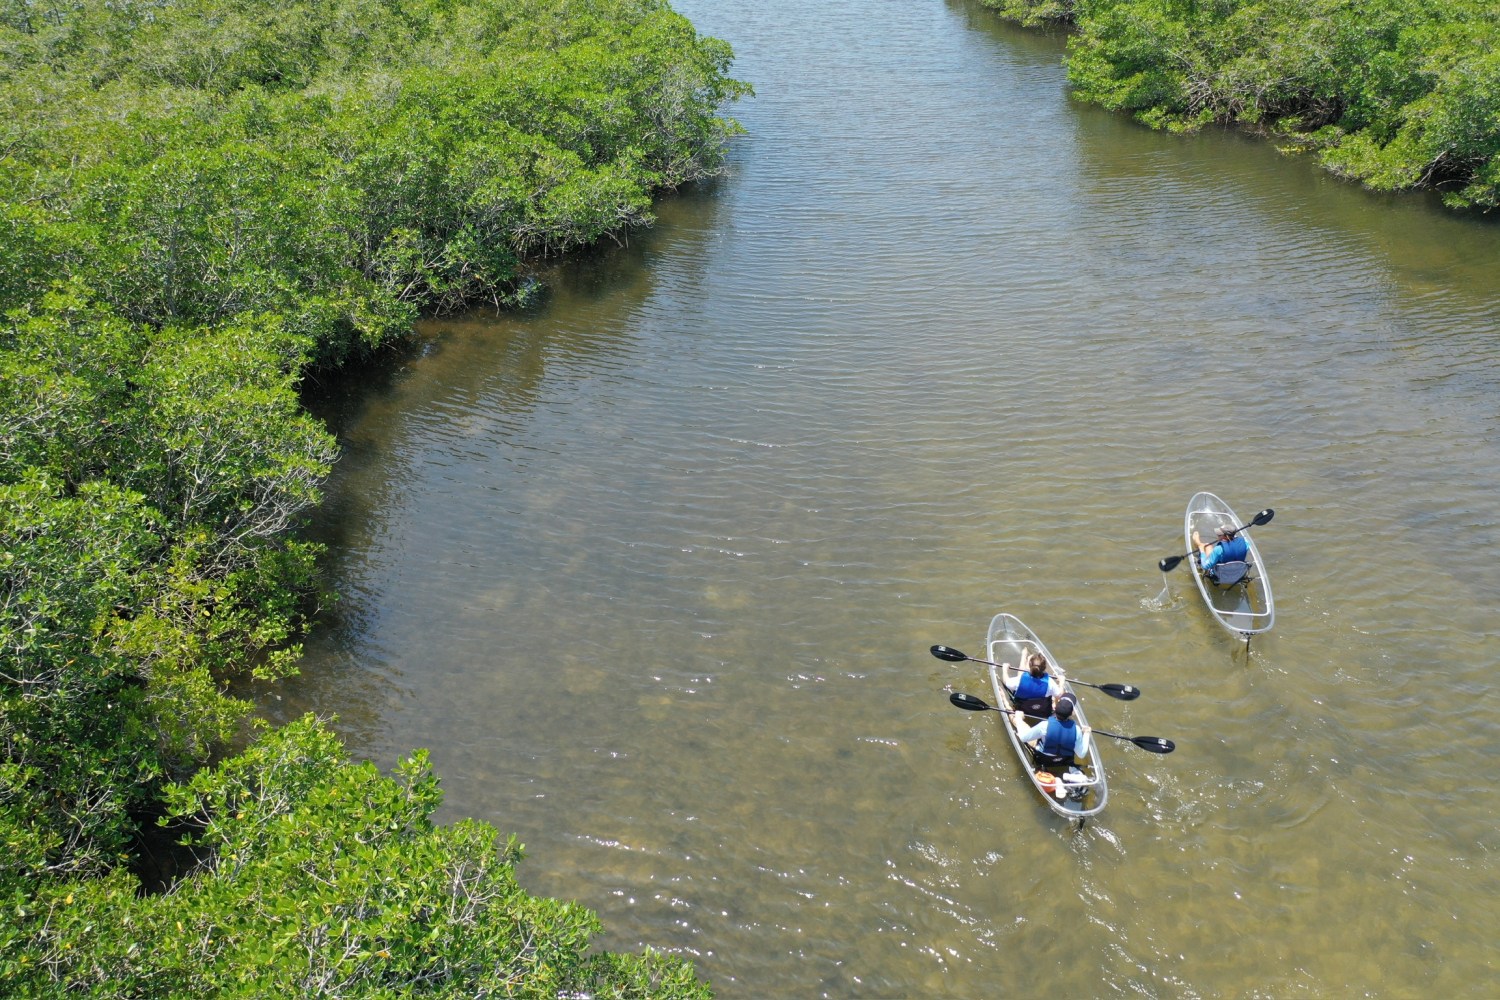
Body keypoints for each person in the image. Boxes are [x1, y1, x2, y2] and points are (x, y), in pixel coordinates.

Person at [1011, 693, 1090, 772]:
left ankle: (1011, 712)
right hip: (1064, 760)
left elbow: (1023, 738)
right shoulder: (1077, 730)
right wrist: (1086, 733)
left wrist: (1019, 718)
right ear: (1072, 713)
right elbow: (1081, 754)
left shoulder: (1044, 725)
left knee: (1024, 727)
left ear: (1055, 708)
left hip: (1043, 759)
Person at [1001, 652, 1064, 718]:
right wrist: (1061, 682)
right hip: (1043, 712)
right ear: (1044, 668)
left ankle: (1024, 656)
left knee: (1021, 674)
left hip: (1022, 712)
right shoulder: (1050, 682)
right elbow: (1060, 696)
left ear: (1030, 666)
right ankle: (1025, 657)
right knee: (1054, 694)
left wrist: (1004, 669)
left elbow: (1006, 682)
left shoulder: (1020, 680)